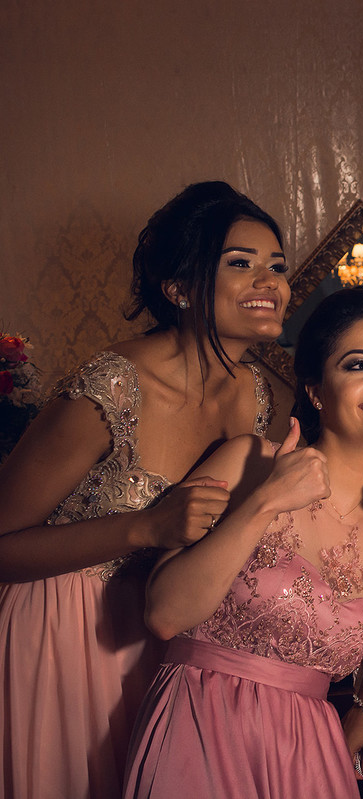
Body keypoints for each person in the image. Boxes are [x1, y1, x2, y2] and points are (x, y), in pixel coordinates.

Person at [0, 181, 284, 799]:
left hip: (172, 642)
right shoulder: (111, 387)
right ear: (178, 288)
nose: (270, 282)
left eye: (277, 266)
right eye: (241, 263)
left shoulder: (256, 395)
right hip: (66, 636)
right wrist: (143, 527)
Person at [123, 289, 363, 798]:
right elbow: (164, 613)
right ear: (316, 392)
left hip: (309, 754)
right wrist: (266, 501)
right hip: (200, 729)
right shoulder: (248, 461)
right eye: (359, 364)